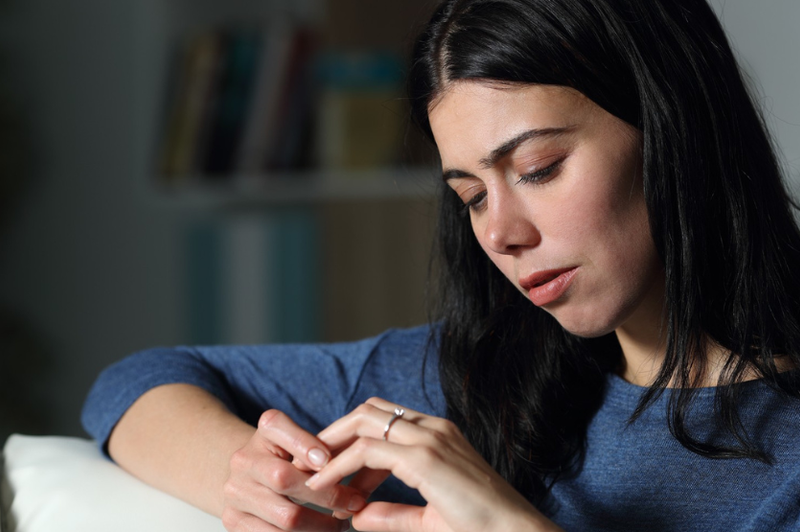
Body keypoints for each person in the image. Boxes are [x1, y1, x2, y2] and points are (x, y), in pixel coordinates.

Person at [82, 0, 800, 530]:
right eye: (470, 196)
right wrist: (252, 479)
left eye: (539, 168)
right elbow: (137, 384)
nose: (501, 234)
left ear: (673, 125)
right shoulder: (472, 379)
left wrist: (504, 523)